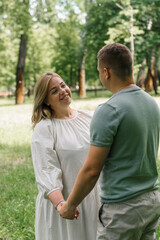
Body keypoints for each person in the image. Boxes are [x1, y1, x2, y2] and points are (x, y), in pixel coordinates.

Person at [59, 43, 160, 240]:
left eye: (98, 71)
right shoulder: (151, 103)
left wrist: (69, 205)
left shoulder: (109, 110)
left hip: (123, 209)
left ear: (106, 72)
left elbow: (91, 170)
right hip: (151, 200)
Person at [31, 72, 99, 240]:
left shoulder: (88, 117)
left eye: (63, 85)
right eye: (54, 91)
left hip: (93, 200)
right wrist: (62, 205)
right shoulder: (45, 128)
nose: (62, 91)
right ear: (46, 100)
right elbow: (46, 170)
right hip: (64, 205)